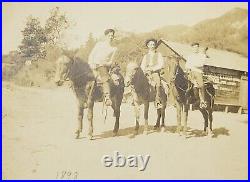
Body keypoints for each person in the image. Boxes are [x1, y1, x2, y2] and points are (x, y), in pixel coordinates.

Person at [88, 29, 117, 106]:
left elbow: (111, 62)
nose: (110, 37)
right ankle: (83, 98)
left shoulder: (113, 49)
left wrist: (105, 63)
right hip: (93, 65)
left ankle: (107, 97)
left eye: (112, 36)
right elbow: (91, 55)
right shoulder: (99, 44)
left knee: (104, 77)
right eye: (109, 35)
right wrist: (91, 64)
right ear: (105, 36)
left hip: (103, 66)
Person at [140, 38, 165, 108]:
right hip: (146, 73)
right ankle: (137, 98)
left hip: (155, 72)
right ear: (148, 46)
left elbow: (161, 64)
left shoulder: (159, 54)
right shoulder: (146, 56)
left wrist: (153, 69)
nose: (152, 46)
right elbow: (142, 65)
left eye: (153, 44)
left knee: (158, 83)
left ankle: (158, 101)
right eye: (150, 44)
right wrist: (144, 70)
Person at [185, 42, 207, 108]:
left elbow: (201, 64)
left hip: (198, 72)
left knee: (201, 85)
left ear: (198, 48)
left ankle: (202, 101)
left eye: (197, 47)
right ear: (192, 48)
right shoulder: (190, 56)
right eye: (194, 47)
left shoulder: (201, 55)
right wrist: (188, 69)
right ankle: (182, 98)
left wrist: (192, 64)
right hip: (191, 72)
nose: (196, 48)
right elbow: (187, 65)